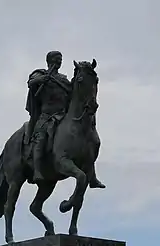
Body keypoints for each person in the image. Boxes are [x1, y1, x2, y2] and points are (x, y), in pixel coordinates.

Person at [25, 51, 105, 188]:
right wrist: (41, 80)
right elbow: (31, 82)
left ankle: (92, 175)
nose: (59, 61)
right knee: (40, 137)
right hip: (46, 115)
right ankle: (37, 169)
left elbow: (72, 91)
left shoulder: (62, 79)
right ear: (49, 60)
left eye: (60, 59)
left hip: (62, 115)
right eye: (57, 59)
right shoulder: (40, 74)